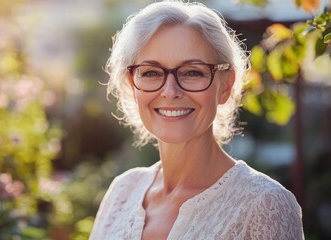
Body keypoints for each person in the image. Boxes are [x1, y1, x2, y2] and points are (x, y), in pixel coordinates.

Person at [89, 1, 304, 239]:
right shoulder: (122, 192)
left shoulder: (265, 205)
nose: (170, 91)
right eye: (151, 72)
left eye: (192, 72)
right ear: (132, 85)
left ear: (226, 85)